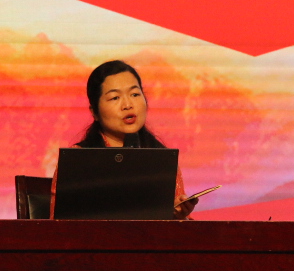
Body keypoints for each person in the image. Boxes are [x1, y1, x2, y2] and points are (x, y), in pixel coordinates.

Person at [50, 60, 198, 219]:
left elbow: (179, 229)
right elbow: (57, 226)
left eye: (135, 94)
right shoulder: (77, 160)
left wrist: (179, 216)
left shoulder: (163, 159)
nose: (127, 105)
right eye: (115, 98)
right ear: (94, 112)